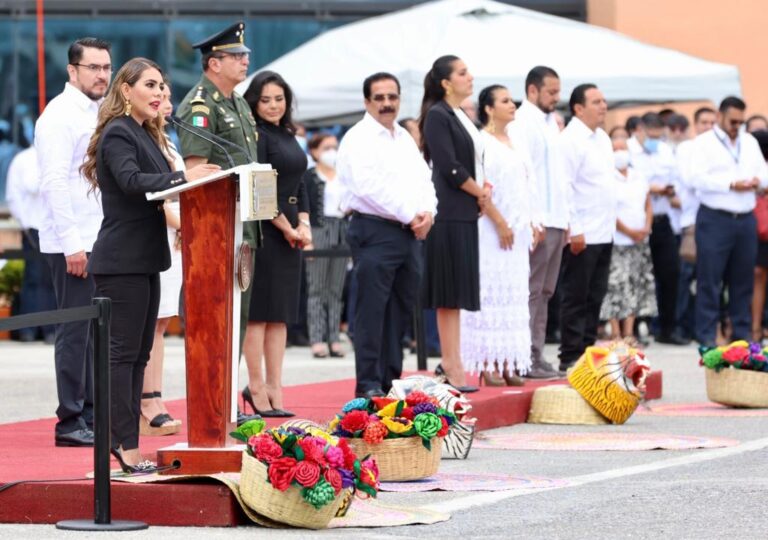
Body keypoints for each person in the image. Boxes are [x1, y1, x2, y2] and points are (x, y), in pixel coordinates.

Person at [81, 57, 219, 471]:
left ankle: (125, 442)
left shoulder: (143, 132)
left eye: (163, 86)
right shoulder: (119, 133)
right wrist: (184, 180)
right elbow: (131, 182)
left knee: (138, 356)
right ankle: (123, 446)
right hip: (121, 261)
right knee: (122, 357)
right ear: (126, 90)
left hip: (144, 259)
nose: (161, 92)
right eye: (151, 85)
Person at [176, 21, 261, 426]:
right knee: (215, 322)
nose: (246, 61)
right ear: (214, 63)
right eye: (237, 56)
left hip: (243, 224)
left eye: (244, 55)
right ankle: (213, 408)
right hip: (216, 228)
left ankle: (226, 405)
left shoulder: (238, 104)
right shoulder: (200, 106)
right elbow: (198, 171)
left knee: (237, 319)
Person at [337, 71, 436, 398]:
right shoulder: (358, 137)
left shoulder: (404, 138)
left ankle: (391, 378)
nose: (386, 104)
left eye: (392, 97)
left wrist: (428, 212)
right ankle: (368, 382)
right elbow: (368, 188)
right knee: (371, 310)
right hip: (375, 229)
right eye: (379, 98)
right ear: (367, 102)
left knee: (400, 309)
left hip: (409, 234)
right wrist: (411, 215)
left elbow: (424, 178)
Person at [34, 37, 112, 448]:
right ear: (73, 71)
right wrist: (72, 245)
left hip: (101, 236)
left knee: (98, 332)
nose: (102, 75)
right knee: (75, 332)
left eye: (106, 67)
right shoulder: (59, 116)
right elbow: (53, 184)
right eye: (93, 67)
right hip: (73, 240)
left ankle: (94, 415)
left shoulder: (100, 112)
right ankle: (70, 420)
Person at [241, 70, 309, 417]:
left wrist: (305, 223)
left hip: (291, 235)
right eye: (265, 99)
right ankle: (255, 387)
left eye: (278, 99)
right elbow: (260, 187)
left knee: (280, 316)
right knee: (259, 316)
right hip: (265, 232)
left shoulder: (287, 133)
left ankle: (275, 386)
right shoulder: (257, 135)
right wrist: (286, 227)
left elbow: (301, 182)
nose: (272, 105)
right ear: (254, 102)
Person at [420, 55, 488, 392]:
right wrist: (479, 193)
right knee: (448, 292)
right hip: (447, 211)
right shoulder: (437, 115)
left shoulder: (459, 114)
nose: (469, 77)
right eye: (462, 73)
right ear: (446, 82)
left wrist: (480, 191)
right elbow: (449, 165)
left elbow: (472, 161)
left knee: (458, 291)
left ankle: (453, 359)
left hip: (464, 209)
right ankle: (450, 362)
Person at [461, 84, 535, 384]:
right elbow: (482, 188)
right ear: (489, 108)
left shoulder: (517, 141)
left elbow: (528, 184)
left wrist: (532, 222)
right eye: (504, 101)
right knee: (490, 291)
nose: (512, 105)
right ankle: (487, 362)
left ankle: (509, 361)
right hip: (491, 229)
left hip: (517, 229)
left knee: (514, 294)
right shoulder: (482, 143)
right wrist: (500, 222)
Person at [689, 96, 768, 347]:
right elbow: (696, 178)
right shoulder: (702, 143)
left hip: (745, 218)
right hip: (715, 218)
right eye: (733, 120)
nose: (736, 126)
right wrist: (730, 184)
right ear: (721, 115)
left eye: (740, 122)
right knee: (710, 279)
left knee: (743, 279)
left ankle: (741, 334)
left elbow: (763, 170)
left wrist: (757, 181)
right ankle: (708, 335)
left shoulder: (748, 142)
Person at [507, 65, 566, 379]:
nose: (556, 97)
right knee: (531, 290)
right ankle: (523, 356)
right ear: (532, 90)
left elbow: (558, 176)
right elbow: (524, 175)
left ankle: (536, 353)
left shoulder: (550, 123)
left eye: (558, 91)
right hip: (538, 218)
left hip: (556, 216)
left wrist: (566, 219)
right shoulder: (522, 122)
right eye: (551, 92)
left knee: (545, 291)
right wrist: (533, 219)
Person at [558, 83, 615, 373]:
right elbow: (565, 187)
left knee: (596, 295)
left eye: (604, 100)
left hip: (605, 229)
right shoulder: (570, 139)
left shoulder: (602, 138)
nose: (603, 106)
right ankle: (570, 353)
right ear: (578, 108)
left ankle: (588, 351)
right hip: (583, 231)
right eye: (596, 101)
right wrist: (575, 228)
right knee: (576, 296)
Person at [139, 82, 183, 436]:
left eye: (169, 97)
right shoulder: (143, 140)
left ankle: (156, 395)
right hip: (162, 234)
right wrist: (186, 223)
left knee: (162, 320)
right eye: (159, 96)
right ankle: (144, 400)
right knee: (149, 320)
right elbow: (158, 195)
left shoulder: (168, 140)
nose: (166, 104)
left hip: (177, 239)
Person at [628, 112, 688, 345]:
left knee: (670, 274)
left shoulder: (664, 150)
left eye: (658, 135)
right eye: (650, 135)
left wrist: (669, 189)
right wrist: (653, 188)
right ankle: (631, 330)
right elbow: (632, 181)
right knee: (636, 277)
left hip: (663, 220)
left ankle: (667, 328)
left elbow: (676, 178)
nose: (654, 140)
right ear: (640, 129)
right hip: (637, 221)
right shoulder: (630, 151)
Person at [599, 138, 656, 341]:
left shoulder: (639, 176)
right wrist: (628, 231)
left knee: (635, 283)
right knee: (614, 285)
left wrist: (647, 227)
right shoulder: (607, 177)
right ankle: (615, 331)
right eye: (615, 149)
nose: (620, 152)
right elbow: (608, 209)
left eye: (622, 148)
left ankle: (629, 332)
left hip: (639, 241)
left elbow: (648, 204)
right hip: (617, 240)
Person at [302, 133, 349, 359]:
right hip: (318, 229)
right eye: (326, 147)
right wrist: (307, 238)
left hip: (341, 229)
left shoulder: (344, 176)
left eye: (334, 147)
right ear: (315, 152)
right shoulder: (310, 177)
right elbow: (304, 209)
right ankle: (317, 339)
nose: (332, 151)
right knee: (317, 288)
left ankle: (334, 338)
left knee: (336, 289)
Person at [4, 146, 57, 343]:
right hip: (32, 227)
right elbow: (19, 192)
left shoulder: (57, 154)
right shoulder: (24, 160)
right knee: (33, 278)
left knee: (52, 279)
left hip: (54, 226)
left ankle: (51, 329)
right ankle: (29, 329)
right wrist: (25, 223)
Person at [675, 106, 716, 341]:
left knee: (711, 279)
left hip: (717, 221)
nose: (708, 127)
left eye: (712, 123)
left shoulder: (720, 148)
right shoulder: (687, 148)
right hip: (692, 220)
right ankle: (683, 325)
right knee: (687, 277)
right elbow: (691, 180)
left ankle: (707, 327)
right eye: (704, 122)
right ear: (695, 124)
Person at [751, 130, 768, 342]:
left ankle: (757, 328)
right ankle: (755, 328)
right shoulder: (750, 165)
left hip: (758, 225)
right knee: (757, 277)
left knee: (758, 278)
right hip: (755, 228)